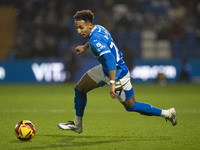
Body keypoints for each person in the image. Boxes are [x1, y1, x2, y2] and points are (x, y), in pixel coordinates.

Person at [57, 10, 177, 134]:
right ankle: (77, 125)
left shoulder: (94, 39)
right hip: (105, 69)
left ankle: (167, 113)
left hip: (117, 73)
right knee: (79, 89)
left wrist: (112, 83)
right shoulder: (99, 28)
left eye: (81, 28)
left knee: (132, 106)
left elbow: (110, 59)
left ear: (89, 25)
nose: (78, 31)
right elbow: (98, 42)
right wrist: (84, 47)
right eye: (77, 28)